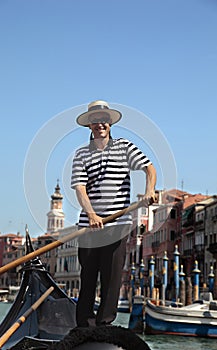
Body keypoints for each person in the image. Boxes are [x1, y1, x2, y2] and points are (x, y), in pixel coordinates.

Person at [71, 100, 156, 327]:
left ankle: (104, 325)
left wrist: (149, 191)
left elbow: (149, 168)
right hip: (89, 226)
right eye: (95, 120)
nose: (100, 124)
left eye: (104, 120)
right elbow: (80, 187)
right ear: (89, 125)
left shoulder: (125, 147)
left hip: (118, 224)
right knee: (88, 276)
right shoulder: (80, 155)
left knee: (111, 279)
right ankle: (84, 326)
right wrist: (91, 214)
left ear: (109, 123)